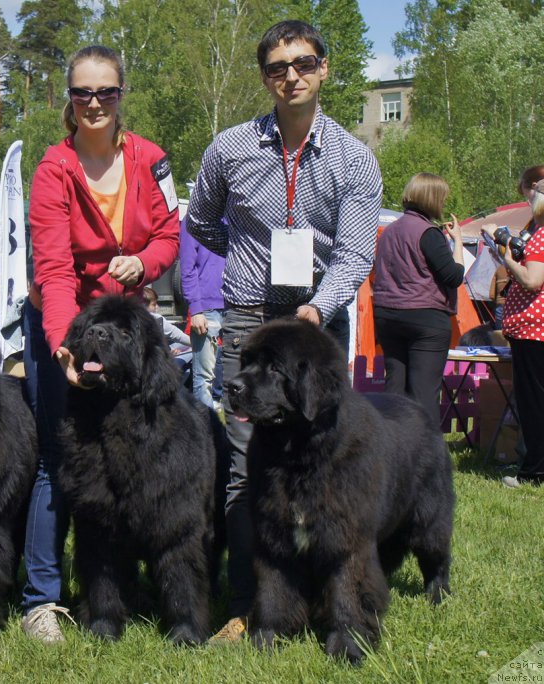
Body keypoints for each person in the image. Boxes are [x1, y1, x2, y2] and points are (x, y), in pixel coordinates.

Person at [186, 19, 382, 641]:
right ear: (264, 76)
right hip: (250, 319)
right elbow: (201, 222)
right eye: (277, 67)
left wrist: (317, 306)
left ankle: (332, 594)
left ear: (323, 69)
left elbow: (355, 252)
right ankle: (249, 605)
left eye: (302, 64)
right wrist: (251, 262)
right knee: (249, 466)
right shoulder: (230, 147)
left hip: (318, 326)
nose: (291, 76)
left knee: (326, 462)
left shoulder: (353, 157)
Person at [23, 45, 180, 643]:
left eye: (106, 92)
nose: (94, 103)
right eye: (82, 92)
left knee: (141, 451)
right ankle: (43, 600)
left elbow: (170, 233)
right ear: (69, 98)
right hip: (65, 325)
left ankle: (126, 583)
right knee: (57, 460)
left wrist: (145, 262)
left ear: (121, 95)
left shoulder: (152, 160)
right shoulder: (52, 170)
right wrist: (66, 346)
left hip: (129, 332)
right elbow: (54, 269)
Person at [372, 173, 464, 425]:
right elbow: (454, 276)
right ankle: (427, 447)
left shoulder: (389, 231)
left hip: (387, 314)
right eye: (442, 198)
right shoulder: (428, 232)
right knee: (423, 394)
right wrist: (457, 243)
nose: (443, 203)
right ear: (432, 199)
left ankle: (389, 444)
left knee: (394, 390)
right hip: (425, 318)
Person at [500, 177, 544, 488]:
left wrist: (508, 261)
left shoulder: (541, 237)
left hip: (533, 330)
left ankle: (534, 471)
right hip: (535, 330)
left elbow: (532, 280)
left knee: (534, 403)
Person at [179, 220, 225, 409]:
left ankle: (233, 425)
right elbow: (187, 268)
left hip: (238, 307)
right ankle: (206, 423)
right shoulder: (193, 220)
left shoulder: (235, 214)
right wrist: (196, 309)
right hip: (207, 308)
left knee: (236, 374)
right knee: (203, 378)